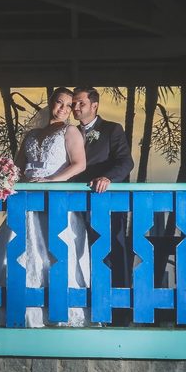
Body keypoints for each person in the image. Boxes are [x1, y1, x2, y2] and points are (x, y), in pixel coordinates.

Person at [0, 87, 88, 327]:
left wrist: (52, 181)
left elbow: (79, 164)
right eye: (59, 103)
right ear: (51, 103)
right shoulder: (32, 134)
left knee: (53, 254)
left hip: (54, 200)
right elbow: (18, 167)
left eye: (68, 105)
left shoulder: (70, 131)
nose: (62, 108)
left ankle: (57, 312)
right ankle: (8, 311)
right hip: (27, 198)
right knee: (12, 250)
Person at [70, 87, 135, 324]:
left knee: (112, 253)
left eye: (80, 104)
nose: (75, 108)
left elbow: (126, 161)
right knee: (78, 253)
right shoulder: (69, 132)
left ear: (95, 105)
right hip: (74, 205)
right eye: (73, 104)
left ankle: (119, 314)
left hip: (105, 203)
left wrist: (108, 178)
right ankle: (86, 310)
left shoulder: (112, 130)